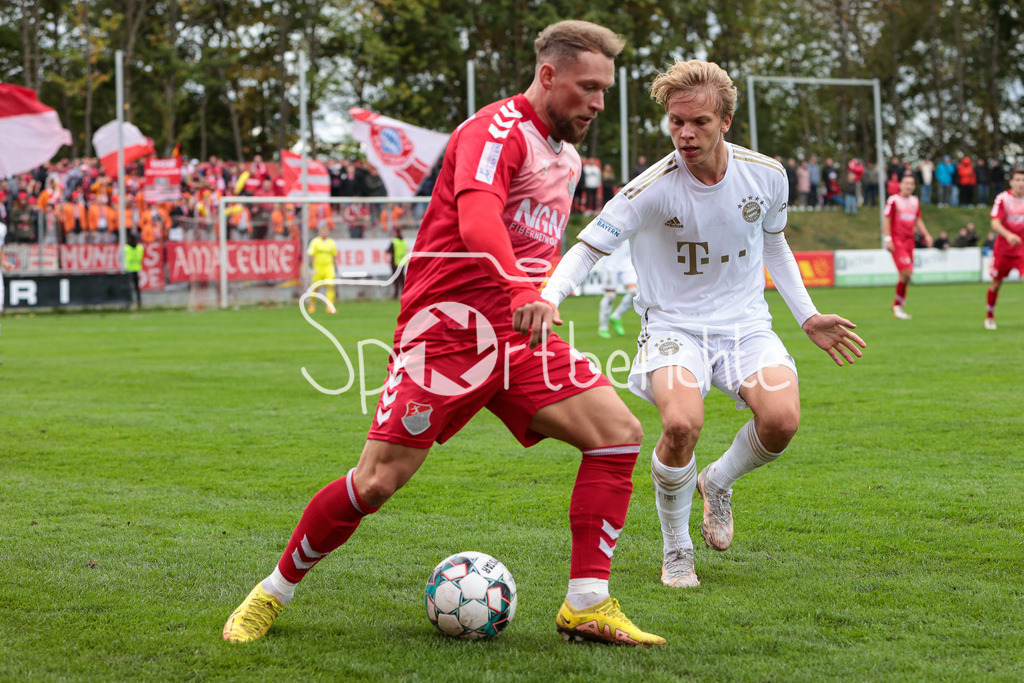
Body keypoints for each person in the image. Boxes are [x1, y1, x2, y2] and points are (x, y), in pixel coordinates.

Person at [223, 20, 666, 648]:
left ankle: (586, 603)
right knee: (376, 481)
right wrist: (519, 289)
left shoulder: (566, 158)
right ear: (548, 75)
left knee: (617, 436)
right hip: (447, 335)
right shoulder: (495, 131)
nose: (598, 103)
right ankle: (271, 592)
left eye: (604, 91)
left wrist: (533, 295)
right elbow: (479, 216)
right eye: (588, 88)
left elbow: (537, 245)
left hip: (518, 336)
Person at [540, 59, 865, 589]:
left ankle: (718, 480)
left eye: (700, 122)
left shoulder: (767, 175)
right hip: (674, 327)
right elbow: (587, 248)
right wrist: (549, 296)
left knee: (782, 421)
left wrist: (807, 316)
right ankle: (677, 550)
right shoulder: (650, 188)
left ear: (726, 121)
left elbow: (774, 241)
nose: (686, 134)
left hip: (745, 325)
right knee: (680, 425)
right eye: (676, 122)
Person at [884, 173, 933, 319]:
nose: (909, 186)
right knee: (906, 272)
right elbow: (887, 219)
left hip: (909, 241)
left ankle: (898, 306)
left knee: (905, 276)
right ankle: (897, 305)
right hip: (897, 241)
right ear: (900, 185)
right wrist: (887, 239)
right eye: (906, 183)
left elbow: (918, 220)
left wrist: (927, 235)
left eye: (911, 183)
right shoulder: (893, 200)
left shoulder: (915, 201)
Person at [984, 167, 1024, 330]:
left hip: (1022, 250)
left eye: (1023, 180)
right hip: (1004, 250)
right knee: (996, 283)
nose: (1021, 183)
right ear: (1011, 182)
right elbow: (994, 222)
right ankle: (989, 316)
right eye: (1017, 180)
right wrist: (1008, 235)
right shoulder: (1003, 199)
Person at [597, 241, 637, 338]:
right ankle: (603, 327)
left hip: (627, 263)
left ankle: (617, 316)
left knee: (635, 292)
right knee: (610, 296)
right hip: (610, 264)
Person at [306, 223, 338, 313]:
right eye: (322, 230)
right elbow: (311, 255)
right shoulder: (315, 242)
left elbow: (334, 255)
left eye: (326, 230)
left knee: (330, 286)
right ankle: (312, 304)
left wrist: (335, 267)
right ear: (319, 231)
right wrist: (312, 267)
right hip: (318, 268)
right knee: (315, 287)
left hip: (329, 267)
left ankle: (330, 306)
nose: (324, 232)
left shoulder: (332, 243)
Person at [386, 225, 408, 300]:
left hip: (395, 262)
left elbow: (388, 251)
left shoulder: (394, 241)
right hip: (402, 262)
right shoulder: (404, 241)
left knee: (396, 279)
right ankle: (404, 294)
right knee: (402, 279)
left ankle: (395, 294)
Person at [124, 231, 144, 309]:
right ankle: (139, 302)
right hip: (136, 268)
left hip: (128, 270)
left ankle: (128, 303)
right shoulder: (140, 248)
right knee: (137, 287)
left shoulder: (126, 248)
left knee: (128, 287)